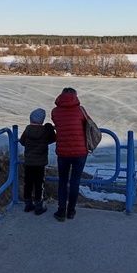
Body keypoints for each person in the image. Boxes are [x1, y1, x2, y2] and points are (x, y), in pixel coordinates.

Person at [51, 87, 92, 222]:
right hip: (80, 152)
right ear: (75, 96)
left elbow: (57, 124)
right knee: (75, 182)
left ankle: (61, 211)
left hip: (63, 152)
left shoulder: (55, 112)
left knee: (62, 181)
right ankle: (71, 211)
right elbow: (89, 123)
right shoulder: (81, 110)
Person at [19, 108, 56, 215]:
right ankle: (39, 206)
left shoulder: (28, 129)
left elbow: (22, 142)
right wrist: (50, 129)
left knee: (28, 183)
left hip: (29, 162)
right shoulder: (45, 130)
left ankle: (28, 204)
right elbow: (53, 139)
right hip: (40, 163)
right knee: (39, 184)